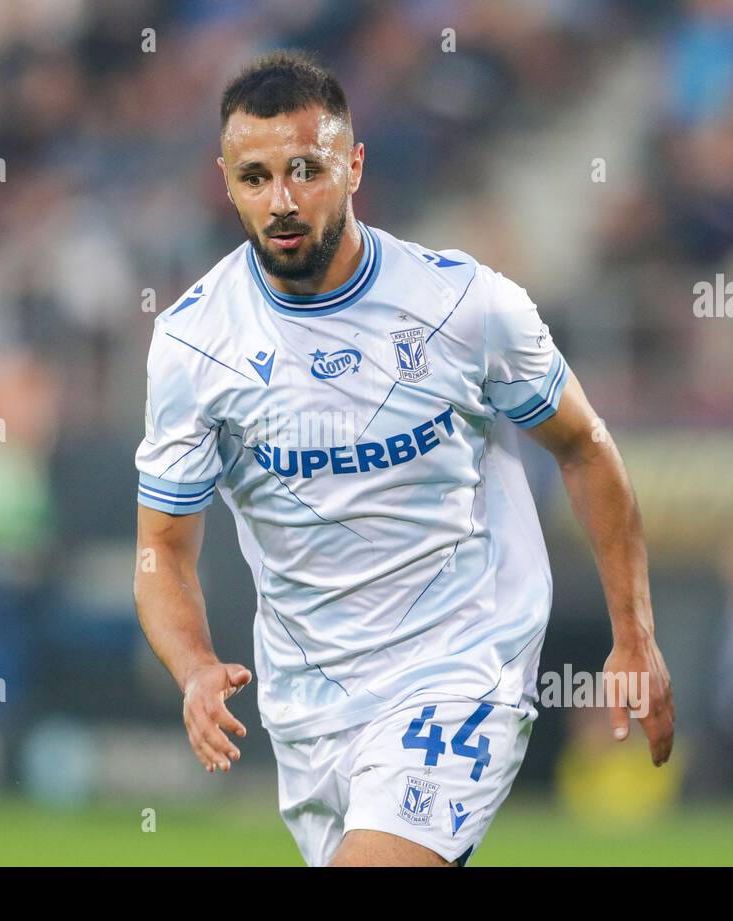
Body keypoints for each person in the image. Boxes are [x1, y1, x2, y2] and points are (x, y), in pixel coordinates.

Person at [132, 50, 673, 867]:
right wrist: (196, 667)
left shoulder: (463, 305)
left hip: (462, 666)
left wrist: (633, 634)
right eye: (255, 176)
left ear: (352, 166)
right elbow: (162, 550)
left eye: (306, 170)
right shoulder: (192, 344)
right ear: (226, 179)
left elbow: (585, 447)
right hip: (310, 706)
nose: (281, 201)